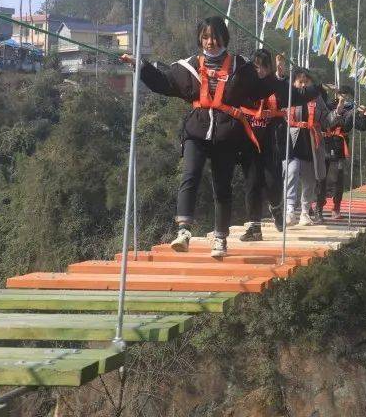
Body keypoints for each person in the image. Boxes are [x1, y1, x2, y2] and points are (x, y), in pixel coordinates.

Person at [120, 17, 315, 257]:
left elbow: (266, 88)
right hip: (197, 130)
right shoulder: (189, 66)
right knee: (190, 174)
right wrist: (141, 66)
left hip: (227, 134)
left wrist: (305, 93)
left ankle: (220, 239)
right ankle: (183, 230)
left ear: (223, 37)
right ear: (199, 39)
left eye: (214, 37)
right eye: (205, 37)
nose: (210, 42)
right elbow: (165, 83)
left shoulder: (240, 68)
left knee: (222, 186)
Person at [235, 50, 303, 241]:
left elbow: (286, 95)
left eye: (264, 67)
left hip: (270, 140)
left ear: (268, 68)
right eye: (256, 67)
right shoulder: (245, 86)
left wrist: (280, 75)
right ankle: (255, 228)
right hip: (249, 141)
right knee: (252, 184)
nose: (260, 71)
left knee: (271, 181)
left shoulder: (275, 86)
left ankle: (276, 208)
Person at [283, 68, 329, 226]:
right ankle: (289, 209)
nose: (303, 85)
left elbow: (326, 119)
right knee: (292, 172)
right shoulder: (288, 96)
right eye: (299, 82)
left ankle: (304, 212)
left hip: (310, 143)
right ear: (294, 83)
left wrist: (339, 111)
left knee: (309, 181)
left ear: (311, 84)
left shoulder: (317, 98)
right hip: (292, 140)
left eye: (306, 82)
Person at [319, 85, 366, 218]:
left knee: (339, 177)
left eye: (348, 96)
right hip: (324, 143)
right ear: (337, 95)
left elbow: (361, 126)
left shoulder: (353, 111)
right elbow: (322, 120)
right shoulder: (328, 106)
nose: (345, 98)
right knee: (320, 176)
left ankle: (336, 207)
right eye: (343, 94)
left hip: (340, 146)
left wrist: (365, 116)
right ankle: (319, 204)